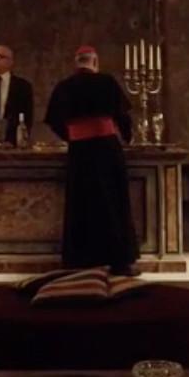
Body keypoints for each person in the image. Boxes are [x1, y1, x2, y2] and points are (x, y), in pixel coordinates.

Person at [42, 45, 139, 275]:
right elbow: (123, 116)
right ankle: (119, 262)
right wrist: (128, 138)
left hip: (80, 152)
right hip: (107, 150)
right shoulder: (107, 82)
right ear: (94, 62)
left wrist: (72, 136)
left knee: (81, 205)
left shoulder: (64, 87)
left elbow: (54, 121)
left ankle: (80, 262)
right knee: (113, 203)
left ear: (77, 63)